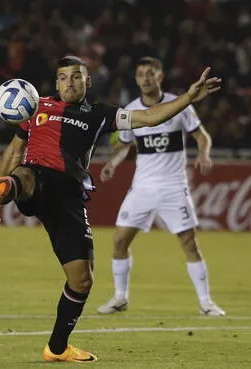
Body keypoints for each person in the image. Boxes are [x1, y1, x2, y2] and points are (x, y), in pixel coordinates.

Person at [0, 56, 221, 363]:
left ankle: (57, 348)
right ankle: (5, 189)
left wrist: (187, 98)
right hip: (37, 179)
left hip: (69, 197)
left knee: (82, 280)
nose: (70, 82)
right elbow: (15, 149)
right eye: (63, 77)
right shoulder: (36, 107)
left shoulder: (100, 114)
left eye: (76, 77)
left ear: (87, 81)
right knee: (27, 173)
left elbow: (148, 117)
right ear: (55, 83)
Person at [95, 57, 225, 316]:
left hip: (173, 187)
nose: (145, 78)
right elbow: (125, 145)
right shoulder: (132, 110)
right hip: (142, 188)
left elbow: (202, 136)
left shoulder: (180, 105)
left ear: (160, 77)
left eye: (150, 73)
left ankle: (205, 302)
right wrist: (113, 163)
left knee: (189, 243)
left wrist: (204, 154)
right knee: (120, 240)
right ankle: (120, 297)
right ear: (136, 79)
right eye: (140, 74)